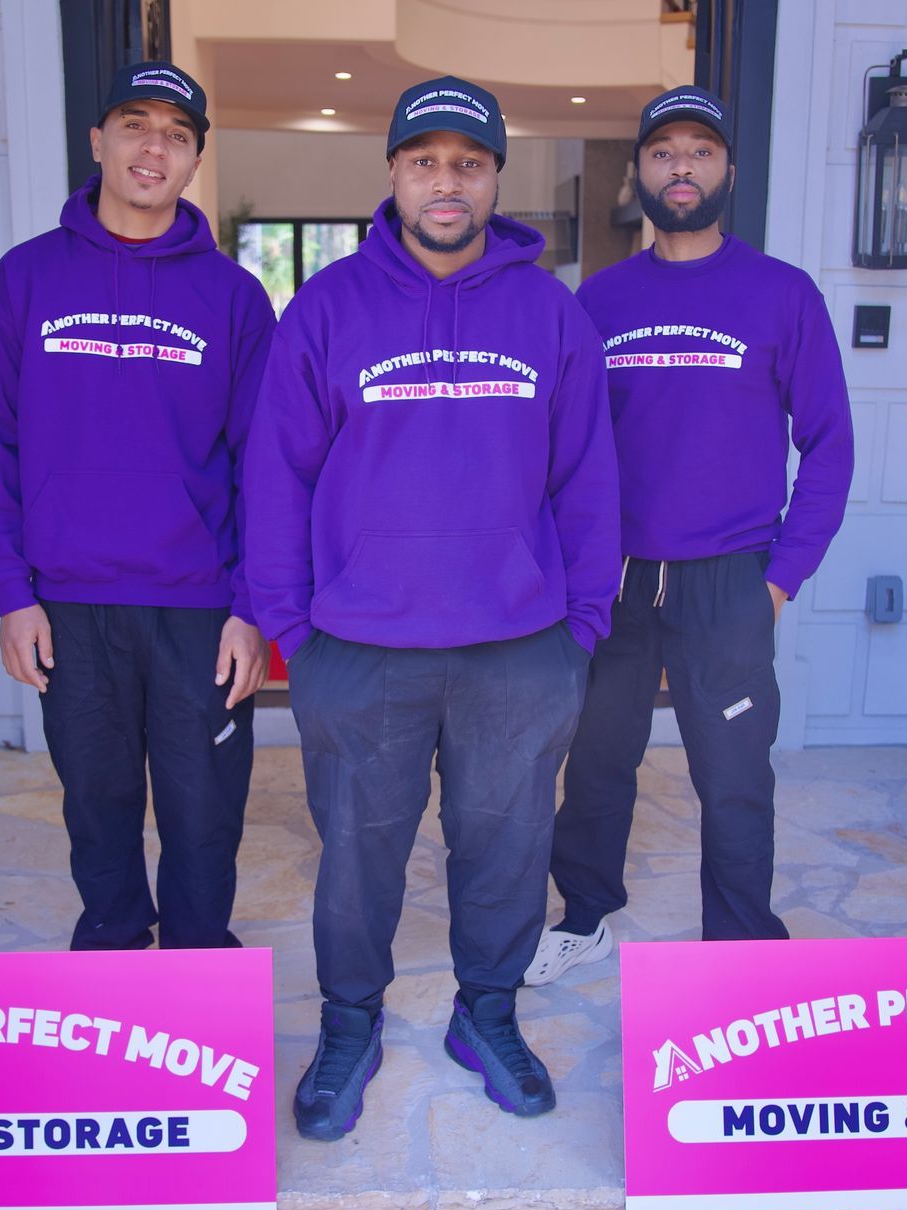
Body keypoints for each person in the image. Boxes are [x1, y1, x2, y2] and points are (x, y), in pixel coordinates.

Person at [245, 76, 620, 1140]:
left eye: (468, 163)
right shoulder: (324, 309)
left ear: (496, 179)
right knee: (358, 852)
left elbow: (589, 481)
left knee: (505, 846)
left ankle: (486, 1012)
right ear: (395, 174)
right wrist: (296, 634)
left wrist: (579, 628)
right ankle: (351, 1024)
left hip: (518, 647)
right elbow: (276, 478)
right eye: (425, 161)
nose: (445, 182)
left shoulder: (551, 314)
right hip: (360, 649)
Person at [527, 85, 855, 984]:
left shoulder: (782, 296)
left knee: (736, 776)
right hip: (616, 577)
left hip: (731, 579)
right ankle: (585, 914)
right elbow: (563, 448)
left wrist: (782, 578)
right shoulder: (598, 300)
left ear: (728, 171)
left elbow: (829, 446)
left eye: (700, 151)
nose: (682, 166)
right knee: (595, 762)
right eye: (664, 150)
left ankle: (742, 952)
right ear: (639, 172)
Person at [0, 61, 274, 953]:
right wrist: (11, 592)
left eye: (177, 136)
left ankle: (195, 954)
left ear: (192, 165)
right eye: (136, 125)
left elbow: (266, 465)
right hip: (68, 601)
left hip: (197, 606)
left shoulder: (233, 298)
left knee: (203, 805)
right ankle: (109, 943)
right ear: (98, 141)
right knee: (95, 801)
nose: (154, 147)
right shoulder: (26, 280)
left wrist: (251, 607)